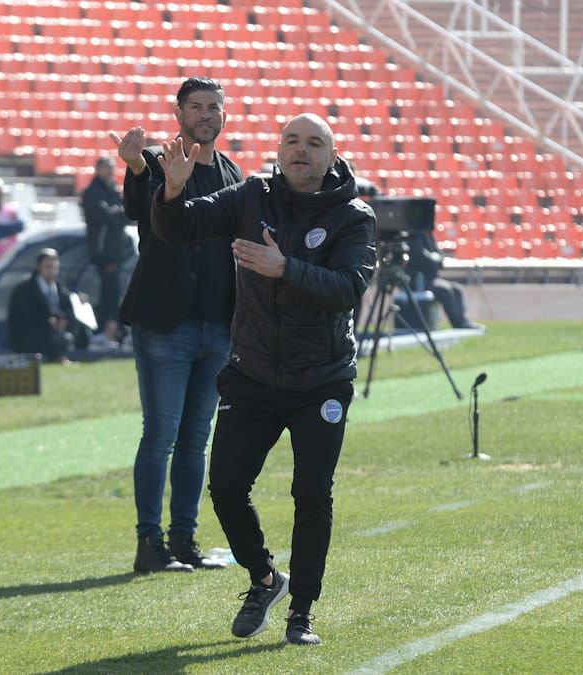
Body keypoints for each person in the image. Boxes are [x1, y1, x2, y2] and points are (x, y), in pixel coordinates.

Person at [152, 113, 377, 646]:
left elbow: (348, 287)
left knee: (311, 494)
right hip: (252, 373)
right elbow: (177, 228)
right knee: (227, 487)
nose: (302, 151)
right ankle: (266, 579)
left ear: (331, 154)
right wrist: (172, 190)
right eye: (292, 141)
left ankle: (302, 612)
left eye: (314, 143)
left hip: (321, 379)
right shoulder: (250, 195)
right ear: (279, 149)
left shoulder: (354, 215)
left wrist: (285, 268)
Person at [111, 76, 244, 574]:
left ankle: (184, 541)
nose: (206, 114)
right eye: (196, 107)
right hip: (166, 324)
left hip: (218, 327)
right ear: (178, 113)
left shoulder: (233, 172)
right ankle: (150, 543)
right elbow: (137, 210)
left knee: (195, 440)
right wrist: (135, 168)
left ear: (224, 115)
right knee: (161, 435)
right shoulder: (156, 164)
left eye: (214, 106)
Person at [82, 156, 132, 351]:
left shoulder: (112, 191)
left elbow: (127, 213)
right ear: (98, 169)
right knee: (107, 295)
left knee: (115, 293)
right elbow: (105, 215)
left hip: (116, 252)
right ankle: (103, 333)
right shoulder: (92, 192)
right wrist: (118, 213)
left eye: (112, 167)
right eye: (107, 167)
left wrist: (118, 213)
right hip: (104, 254)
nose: (110, 171)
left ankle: (114, 332)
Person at [7, 248, 85, 362]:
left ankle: (60, 356)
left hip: (56, 332)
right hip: (31, 336)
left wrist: (63, 321)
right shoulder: (24, 290)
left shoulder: (61, 289)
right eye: (48, 267)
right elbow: (22, 317)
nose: (52, 271)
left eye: (55, 267)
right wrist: (47, 322)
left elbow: (69, 311)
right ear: (39, 267)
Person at [405, 229, 482, 329]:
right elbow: (421, 257)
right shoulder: (414, 236)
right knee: (445, 290)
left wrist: (436, 259)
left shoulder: (429, 235)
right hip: (420, 279)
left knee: (457, 289)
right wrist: (435, 259)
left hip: (432, 278)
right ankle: (457, 323)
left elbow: (439, 255)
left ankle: (461, 320)